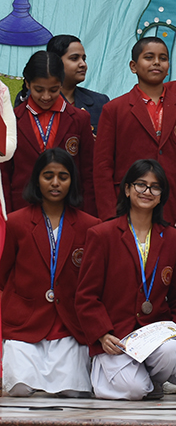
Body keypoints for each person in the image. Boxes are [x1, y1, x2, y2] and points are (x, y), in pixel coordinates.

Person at [76, 160, 176, 400]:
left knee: (172, 352)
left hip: (153, 334)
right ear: (127, 189)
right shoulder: (101, 234)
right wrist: (102, 334)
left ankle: (153, 380)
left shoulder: (174, 239)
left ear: (161, 196)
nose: (147, 191)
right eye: (141, 185)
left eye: (155, 187)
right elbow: (86, 295)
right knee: (134, 390)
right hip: (116, 335)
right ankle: (138, 381)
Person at [0, 149, 98, 396]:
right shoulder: (16, 222)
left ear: (72, 181)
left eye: (63, 177)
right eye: (48, 176)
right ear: (37, 179)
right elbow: (3, 274)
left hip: (69, 324)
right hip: (24, 322)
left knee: (72, 390)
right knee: (20, 388)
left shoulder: (90, 226)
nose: (55, 183)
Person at [93, 38, 176, 228]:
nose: (157, 62)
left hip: (172, 207)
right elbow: (102, 166)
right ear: (133, 66)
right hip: (125, 208)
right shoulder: (114, 110)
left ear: (169, 67)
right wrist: (109, 214)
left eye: (163, 58)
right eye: (149, 57)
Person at [3, 51, 95, 213]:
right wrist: (7, 217)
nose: (46, 96)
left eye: (53, 90)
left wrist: (88, 216)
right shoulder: (12, 120)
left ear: (61, 84)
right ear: (27, 84)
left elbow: (88, 173)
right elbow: (4, 175)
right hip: (23, 209)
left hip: (69, 209)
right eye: (39, 90)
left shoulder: (80, 119)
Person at [45, 35, 109, 130]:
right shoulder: (35, 100)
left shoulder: (99, 102)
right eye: (74, 58)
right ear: (55, 62)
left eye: (84, 59)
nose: (83, 64)